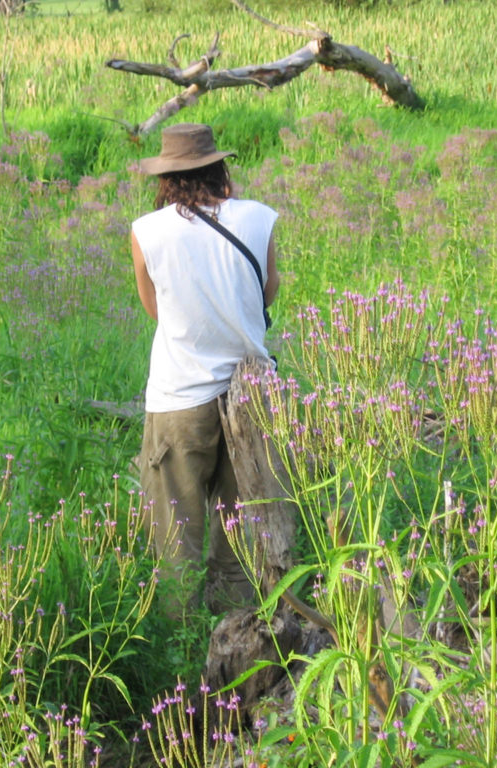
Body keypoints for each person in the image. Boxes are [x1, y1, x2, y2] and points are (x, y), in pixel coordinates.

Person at [131, 123, 280, 615]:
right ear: (221, 169)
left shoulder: (147, 232)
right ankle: (243, 646)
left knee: (178, 542)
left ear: (165, 177)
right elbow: (268, 293)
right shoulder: (259, 218)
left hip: (180, 399)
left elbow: (155, 308)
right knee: (241, 539)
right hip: (251, 395)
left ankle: (183, 663)